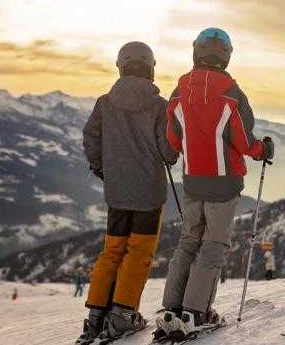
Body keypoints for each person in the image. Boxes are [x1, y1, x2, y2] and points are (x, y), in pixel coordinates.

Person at [155, 28, 274, 341]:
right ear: (226, 54)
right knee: (213, 246)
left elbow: (172, 141)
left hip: (192, 182)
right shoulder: (231, 93)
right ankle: (195, 313)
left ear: (196, 51)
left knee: (188, 241)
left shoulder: (180, 91)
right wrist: (264, 149)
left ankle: (170, 309)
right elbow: (245, 141)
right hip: (224, 184)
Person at [77, 41, 178, 344]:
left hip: (117, 192)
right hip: (148, 193)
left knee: (112, 251)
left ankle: (96, 316)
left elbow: (91, 136)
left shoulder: (105, 103)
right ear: (150, 68)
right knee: (138, 253)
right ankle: (122, 314)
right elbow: (168, 153)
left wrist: (100, 166)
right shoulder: (159, 106)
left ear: (121, 66)